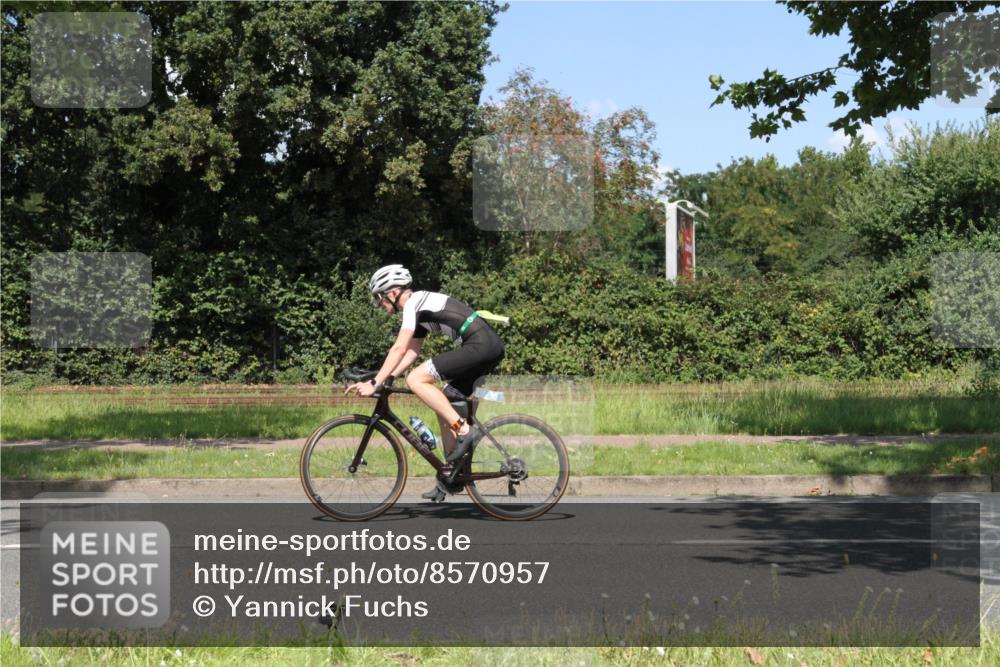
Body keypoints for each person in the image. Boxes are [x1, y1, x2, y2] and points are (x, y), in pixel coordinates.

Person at [344, 264, 505, 501]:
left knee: (416, 379)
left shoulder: (413, 303)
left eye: (379, 298)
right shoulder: (418, 308)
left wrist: (375, 383)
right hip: (487, 346)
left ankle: (464, 431)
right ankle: (451, 475)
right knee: (445, 400)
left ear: (392, 292)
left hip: (481, 345)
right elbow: (410, 353)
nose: (379, 303)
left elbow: (399, 348)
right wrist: (386, 379)